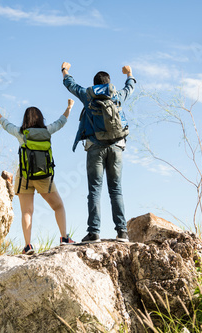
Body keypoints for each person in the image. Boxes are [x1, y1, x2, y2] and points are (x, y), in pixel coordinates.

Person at [61, 61, 136, 243]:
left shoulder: (88, 96)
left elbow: (70, 85)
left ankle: (94, 233)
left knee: (94, 190)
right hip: (117, 147)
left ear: (95, 84)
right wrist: (129, 72)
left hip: (95, 147)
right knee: (116, 189)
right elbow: (130, 87)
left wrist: (65, 70)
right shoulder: (116, 96)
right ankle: (122, 232)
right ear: (109, 83)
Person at [0, 100, 75, 254]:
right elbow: (61, 122)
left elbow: (5, 125)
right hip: (44, 176)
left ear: (25, 119)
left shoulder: (20, 133)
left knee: (27, 211)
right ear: (40, 118)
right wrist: (69, 108)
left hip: (24, 175)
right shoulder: (47, 131)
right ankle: (64, 238)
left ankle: (27, 246)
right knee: (58, 206)